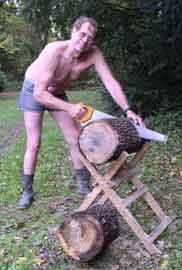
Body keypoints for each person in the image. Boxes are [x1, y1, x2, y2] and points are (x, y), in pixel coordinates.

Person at [17, 16, 144, 209]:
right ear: (73, 31)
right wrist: (69, 107)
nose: (84, 41)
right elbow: (40, 93)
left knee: (75, 138)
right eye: (82, 34)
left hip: (56, 93)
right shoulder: (53, 51)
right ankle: (27, 191)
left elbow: (110, 82)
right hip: (34, 90)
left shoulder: (93, 54)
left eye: (90, 38)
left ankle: (83, 184)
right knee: (34, 143)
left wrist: (127, 110)